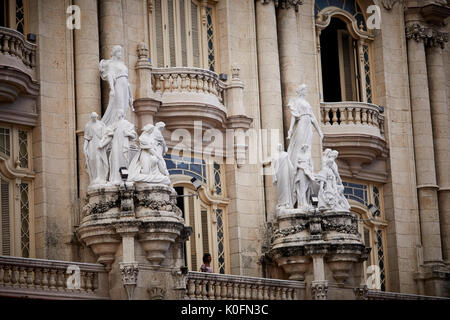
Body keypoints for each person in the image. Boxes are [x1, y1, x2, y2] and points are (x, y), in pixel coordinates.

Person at [99, 45, 134, 126]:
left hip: (125, 85)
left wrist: (131, 95)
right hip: (118, 83)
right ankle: (116, 125)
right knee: (119, 104)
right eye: (119, 51)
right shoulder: (111, 64)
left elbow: (128, 82)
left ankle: (122, 123)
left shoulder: (122, 64)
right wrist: (112, 89)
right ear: (114, 53)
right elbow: (110, 76)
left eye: (121, 51)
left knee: (125, 106)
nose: (120, 53)